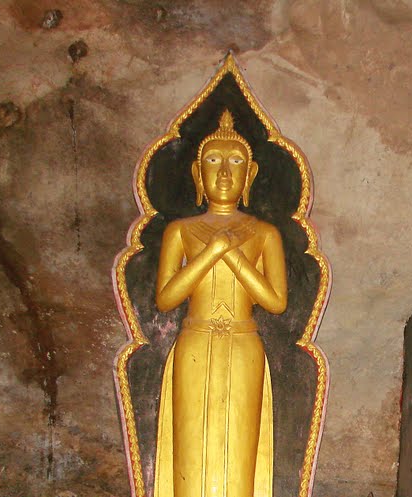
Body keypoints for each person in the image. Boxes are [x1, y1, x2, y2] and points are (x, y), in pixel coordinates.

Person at [153, 110, 287, 497]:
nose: (225, 173)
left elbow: (276, 302)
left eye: (235, 162)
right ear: (197, 174)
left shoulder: (264, 233)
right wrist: (211, 251)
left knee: (239, 443)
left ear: (251, 174)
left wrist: (235, 257)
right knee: (192, 439)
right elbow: (166, 299)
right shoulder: (181, 231)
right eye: (213, 161)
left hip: (244, 344)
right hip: (194, 340)